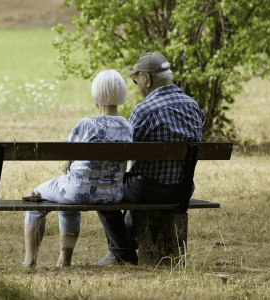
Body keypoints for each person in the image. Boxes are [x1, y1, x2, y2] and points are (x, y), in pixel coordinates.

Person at [93, 52, 205, 266]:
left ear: (147, 78)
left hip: (149, 190)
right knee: (135, 183)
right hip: (183, 189)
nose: (137, 85)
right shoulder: (193, 106)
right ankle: (122, 249)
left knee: (102, 188)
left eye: (136, 80)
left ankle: (122, 253)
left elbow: (123, 153)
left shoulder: (144, 110)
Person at [23, 69, 133, 269]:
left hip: (77, 192)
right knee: (67, 202)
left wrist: (69, 158)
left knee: (35, 197)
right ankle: (64, 260)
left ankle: (29, 262)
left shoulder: (87, 125)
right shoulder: (128, 126)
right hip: (112, 195)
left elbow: (65, 151)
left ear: (96, 96)